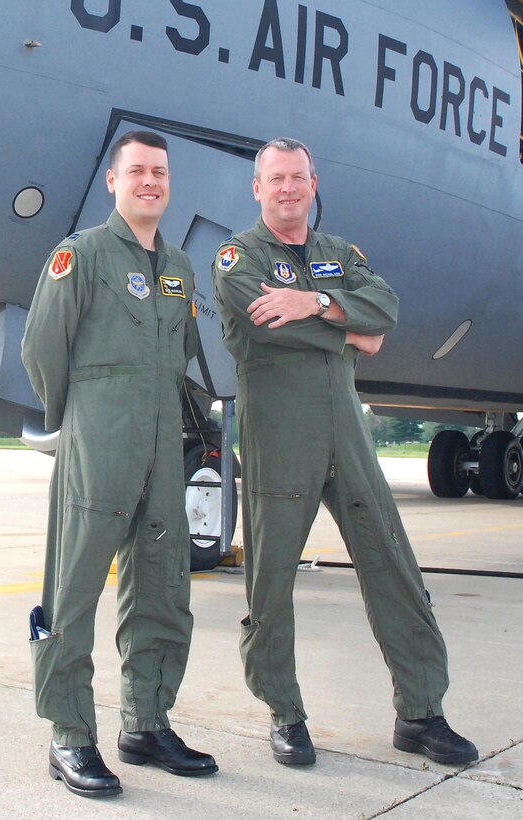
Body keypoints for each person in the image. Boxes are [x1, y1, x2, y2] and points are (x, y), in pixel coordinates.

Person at [212, 137, 478, 769]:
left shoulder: (338, 253)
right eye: (275, 179)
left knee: (393, 564)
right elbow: (263, 323)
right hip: (280, 440)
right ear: (257, 189)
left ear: (313, 182)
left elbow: (385, 309)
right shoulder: (236, 257)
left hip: (347, 438)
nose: (287, 189)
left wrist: (316, 303)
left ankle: (421, 712)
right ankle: (286, 713)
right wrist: (349, 332)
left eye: (298, 177)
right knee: (271, 580)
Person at [22, 130, 218, 799]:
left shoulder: (180, 267)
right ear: (113, 181)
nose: (150, 182)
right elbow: (44, 351)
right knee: (74, 589)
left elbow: (184, 354)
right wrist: (81, 420)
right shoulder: (81, 256)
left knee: (163, 585)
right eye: (136, 171)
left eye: (159, 172)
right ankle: (70, 735)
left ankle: (147, 723)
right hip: (100, 438)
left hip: (163, 445)